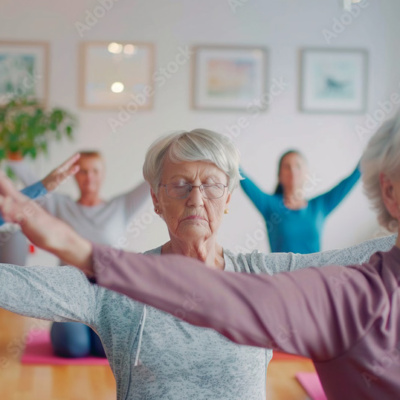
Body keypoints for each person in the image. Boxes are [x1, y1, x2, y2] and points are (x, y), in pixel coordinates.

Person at [0, 129, 396, 400]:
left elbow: (367, 257)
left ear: (227, 199)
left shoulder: (266, 275)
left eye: (211, 184)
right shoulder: (111, 284)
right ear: (156, 200)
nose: (195, 197)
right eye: (179, 184)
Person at [8, 151, 150, 358]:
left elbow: (150, 181)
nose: (89, 177)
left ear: (103, 174)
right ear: (74, 175)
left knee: (106, 350)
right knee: (73, 347)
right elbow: (32, 186)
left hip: (108, 297)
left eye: (95, 171)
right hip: (69, 295)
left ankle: (95, 330)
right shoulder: (61, 205)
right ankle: (69, 328)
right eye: (83, 171)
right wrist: (15, 155)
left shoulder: (120, 206)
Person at [240, 150, 360, 253]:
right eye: (287, 167)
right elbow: (240, 175)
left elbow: (351, 178)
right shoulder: (270, 206)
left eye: (298, 166)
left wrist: (374, 150)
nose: (293, 171)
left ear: (306, 174)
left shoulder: (320, 206)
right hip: (281, 279)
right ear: (279, 176)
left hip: (314, 279)